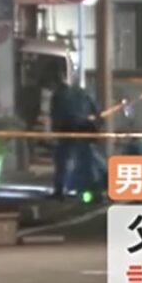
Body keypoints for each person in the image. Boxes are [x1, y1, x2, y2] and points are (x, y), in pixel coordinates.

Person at [49, 67, 103, 199]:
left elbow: (55, 115)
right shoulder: (83, 93)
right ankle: (94, 189)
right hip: (84, 128)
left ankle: (59, 190)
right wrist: (96, 127)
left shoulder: (58, 95)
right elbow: (97, 112)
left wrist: (55, 132)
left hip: (66, 129)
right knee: (86, 160)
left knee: (63, 160)